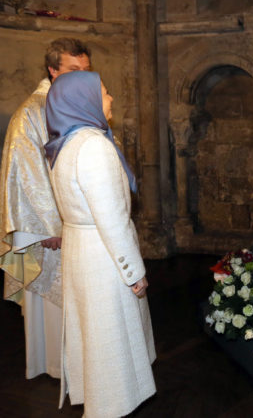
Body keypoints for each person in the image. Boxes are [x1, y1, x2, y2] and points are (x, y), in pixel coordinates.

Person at [45, 71, 156, 417]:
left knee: (95, 338)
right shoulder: (93, 146)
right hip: (104, 258)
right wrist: (134, 271)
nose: (111, 100)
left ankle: (103, 401)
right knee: (111, 344)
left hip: (83, 250)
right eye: (105, 93)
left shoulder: (66, 144)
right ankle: (111, 406)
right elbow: (112, 219)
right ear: (84, 100)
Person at [0, 38, 91, 379]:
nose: (81, 76)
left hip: (81, 224)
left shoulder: (79, 104)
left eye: (85, 69)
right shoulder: (32, 112)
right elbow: (25, 173)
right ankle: (58, 366)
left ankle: (82, 366)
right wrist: (50, 226)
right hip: (53, 230)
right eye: (72, 70)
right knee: (57, 303)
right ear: (53, 71)